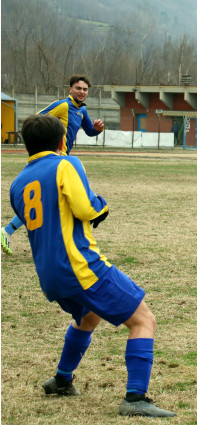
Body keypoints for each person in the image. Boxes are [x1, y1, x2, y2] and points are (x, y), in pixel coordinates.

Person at [9, 114, 175, 418]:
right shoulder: (65, 163)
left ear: (26, 146)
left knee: (89, 315)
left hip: (49, 275)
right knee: (143, 320)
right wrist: (103, 204)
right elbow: (86, 207)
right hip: (79, 265)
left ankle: (61, 379)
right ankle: (135, 398)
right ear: (61, 142)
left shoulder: (17, 183)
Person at [2, 74, 104, 256]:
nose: (82, 92)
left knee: (49, 199)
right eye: (78, 88)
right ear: (70, 89)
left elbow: (89, 131)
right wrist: (47, 141)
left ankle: (8, 231)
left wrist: (97, 129)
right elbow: (37, 119)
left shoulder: (82, 110)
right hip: (54, 159)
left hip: (62, 159)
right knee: (58, 199)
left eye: (85, 89)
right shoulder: (63, 105)